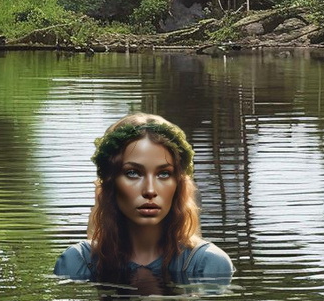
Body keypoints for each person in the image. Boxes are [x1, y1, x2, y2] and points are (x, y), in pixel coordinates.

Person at [54, 112, 234, 283]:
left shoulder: (210, 265)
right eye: (133, 173)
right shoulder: (77, 263)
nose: (149, 190)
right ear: (111, 183)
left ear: (178, 185)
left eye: (163, 174)